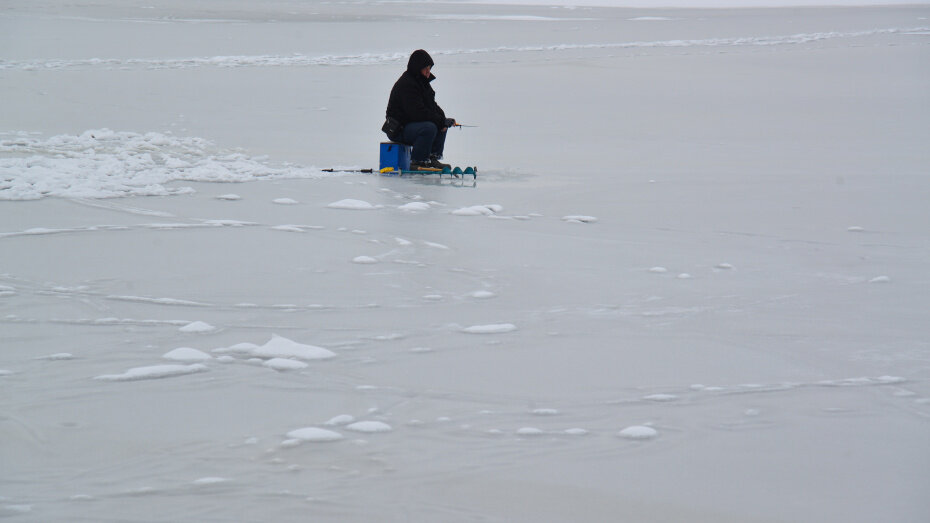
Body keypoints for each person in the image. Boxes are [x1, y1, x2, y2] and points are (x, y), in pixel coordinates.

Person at [384, 49, 456, 170]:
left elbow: (432, 105)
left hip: (411, 125)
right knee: (429, 127)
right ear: (417, 68)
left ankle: (432, 158)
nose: (428, 72)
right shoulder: (407, 84)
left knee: (440, 124)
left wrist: (444, 120)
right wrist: (439, 121)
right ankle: (418, 161)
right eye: (426, 69)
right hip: (398, 129)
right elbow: (416, 113)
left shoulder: (421, 82)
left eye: (429, 69)